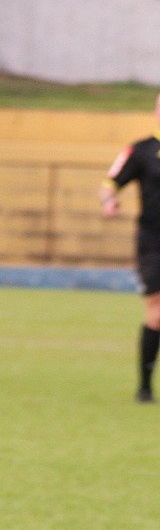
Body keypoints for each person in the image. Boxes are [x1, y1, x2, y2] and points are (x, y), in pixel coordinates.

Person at [100, 90, 160, 402]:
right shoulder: (141, 151)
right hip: (153, 240)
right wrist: (109, 202)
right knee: (157, 313)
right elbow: (110, 183)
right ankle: (145, 386)